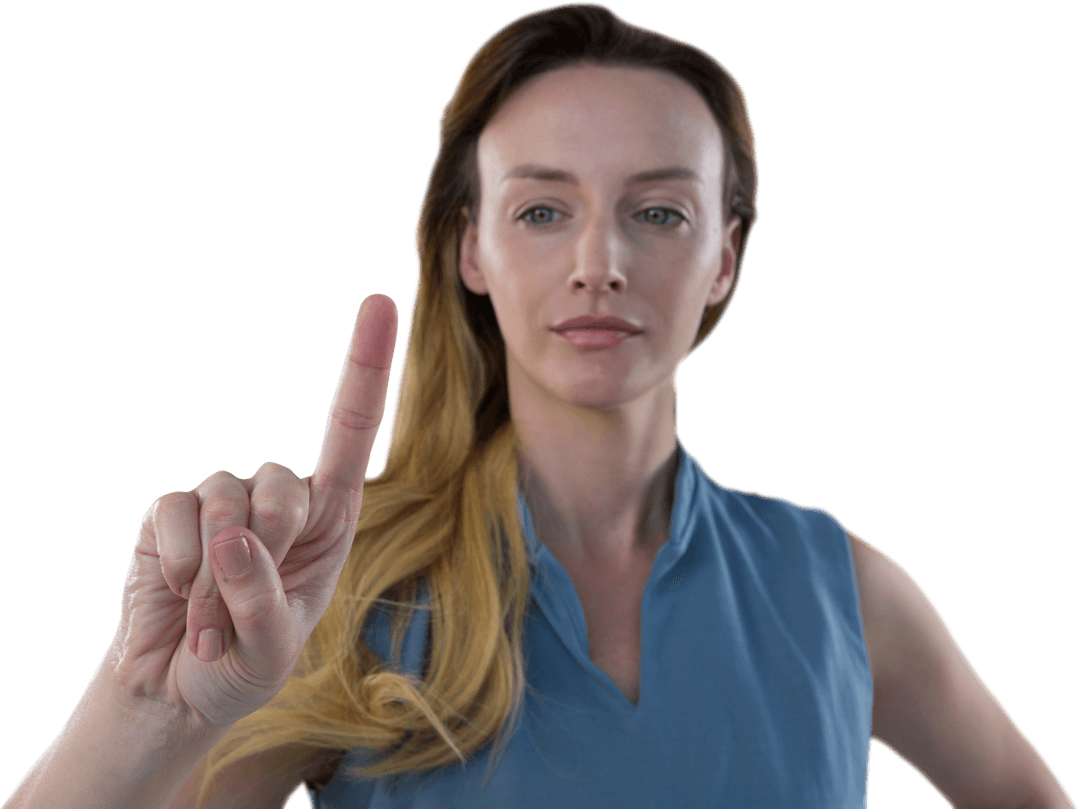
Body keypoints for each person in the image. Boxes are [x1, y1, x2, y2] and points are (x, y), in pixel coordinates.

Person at [5, 4, 1075, 809]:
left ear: (725, 256)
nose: (600, 262)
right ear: (470, 245)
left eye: (657, 210)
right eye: (543, 209)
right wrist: (146, 708)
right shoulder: (331, 588)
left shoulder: (845, 589)